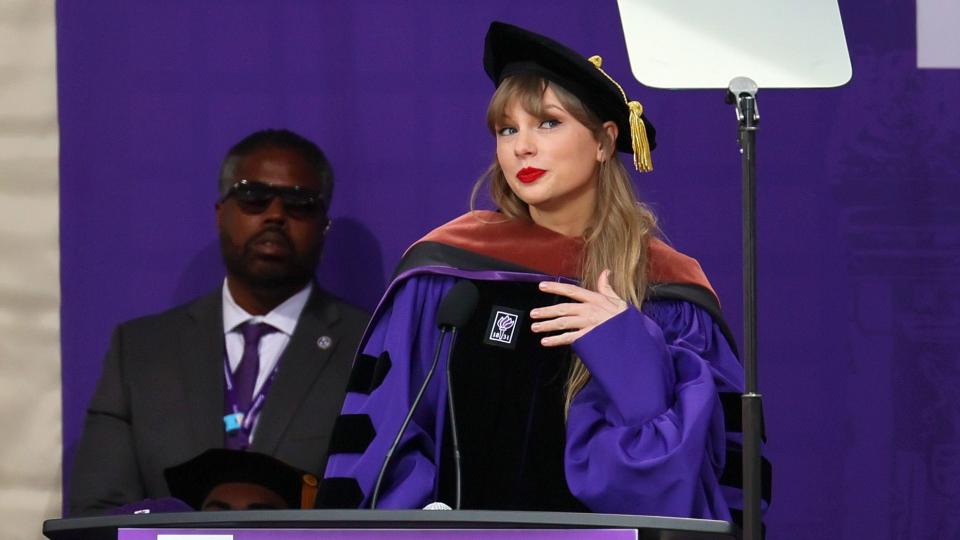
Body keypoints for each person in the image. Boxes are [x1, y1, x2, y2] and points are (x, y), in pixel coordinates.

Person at [319, 22, 768, 524]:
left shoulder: (667, 294)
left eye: (547, 123)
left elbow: (697, 489)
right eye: (507, 129)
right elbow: (383, 441)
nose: (522, 147)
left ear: (604, 142)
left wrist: (630, 356)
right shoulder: (449, 274)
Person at [69, 129, 370, 515]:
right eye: (253, 196)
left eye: (300, 203)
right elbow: (98, 512)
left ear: (323, 226)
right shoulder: (140, 351)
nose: (275, 214)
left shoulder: (368, 347)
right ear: (220, 213)